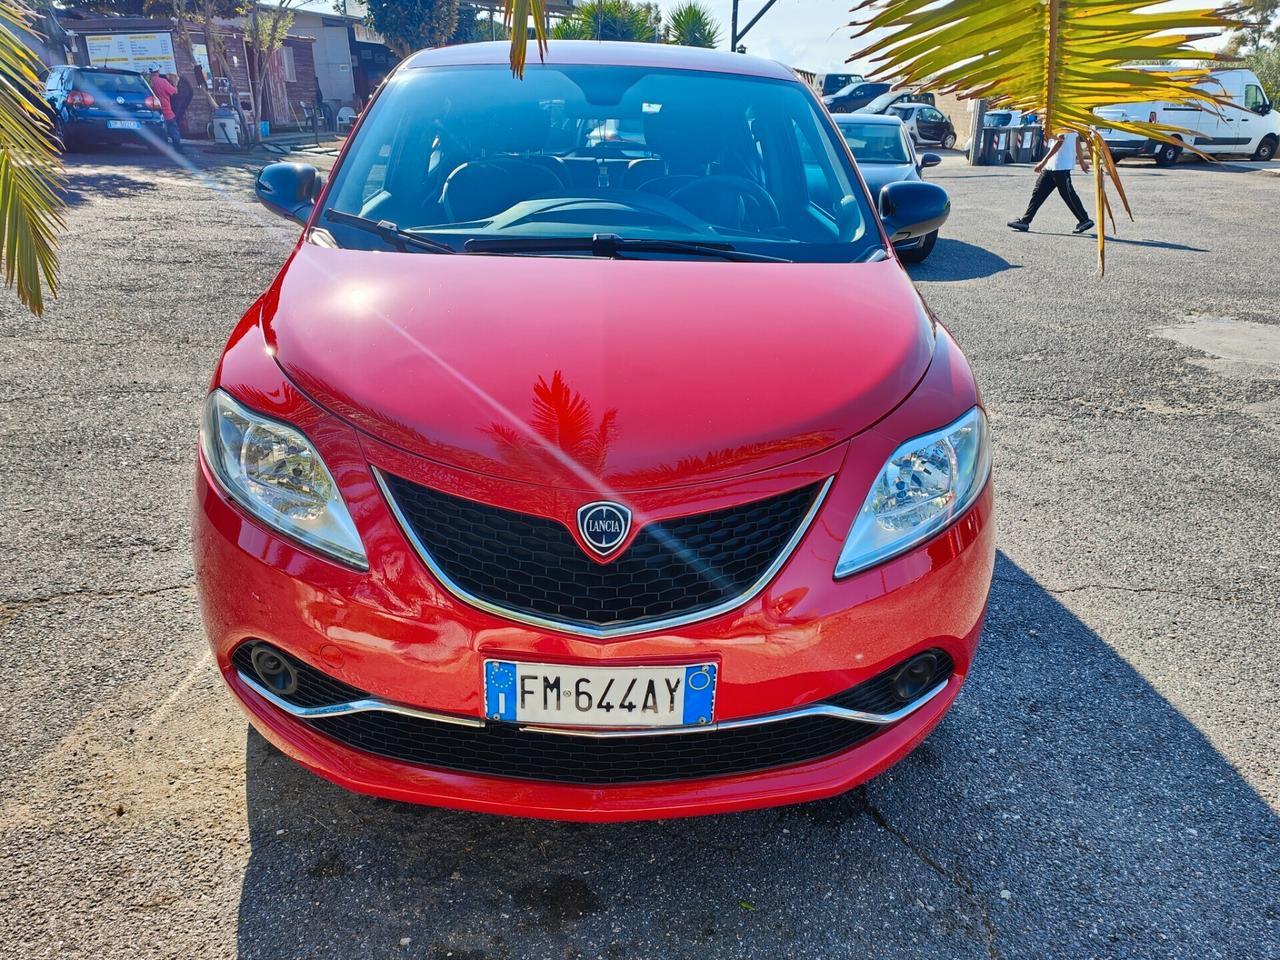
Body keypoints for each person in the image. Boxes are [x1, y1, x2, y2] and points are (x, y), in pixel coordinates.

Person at [1007, 129, 1094, 234]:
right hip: (1052, 166)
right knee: (1038, 193)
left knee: (1068, 195)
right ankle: (1025, 221)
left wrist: (1043, 161)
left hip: (1061, 165)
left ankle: (1084, 220)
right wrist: (1081, 161)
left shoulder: (1063, 121)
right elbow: (1075, 141)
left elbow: (1060, 141)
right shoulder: (1061, 121)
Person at [148, 66, 183, 156]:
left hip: (154, 111)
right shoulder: (162, 82)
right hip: (166, 111)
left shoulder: (149, 83)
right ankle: (178, 149)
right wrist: (175, 83)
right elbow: (174, 91)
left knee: (159, 131)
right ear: (158, 71)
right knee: (173, 130)